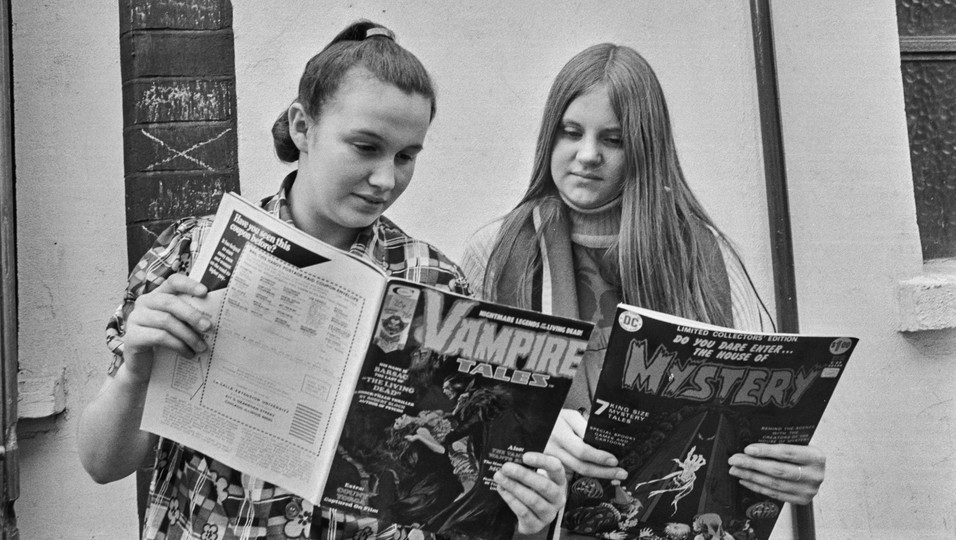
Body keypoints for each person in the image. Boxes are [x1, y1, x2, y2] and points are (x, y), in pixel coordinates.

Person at [78, 21, 565, 540]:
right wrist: (135, 372)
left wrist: (528, 518)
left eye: (406, 157)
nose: (385, 180)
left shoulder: (434, 282)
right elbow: (103, 464)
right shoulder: (195, 251)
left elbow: (459, 493)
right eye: (365, 146)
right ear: (302, 127)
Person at [460, 42, 826, 515]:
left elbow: (740, 424)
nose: (587, 155)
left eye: (613, 140)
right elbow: (465, 412)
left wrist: (785, 470)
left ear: (645, 149)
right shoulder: (495, 249)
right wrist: (531, 427)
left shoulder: (698, 252)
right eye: (571, 132)